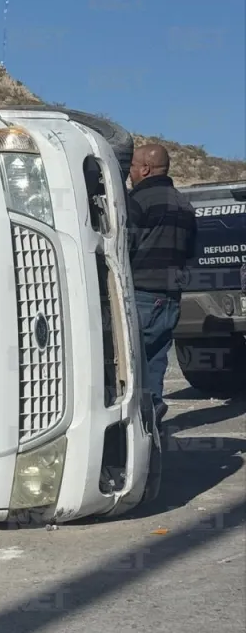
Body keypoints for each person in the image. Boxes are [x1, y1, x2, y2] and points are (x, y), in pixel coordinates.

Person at [128, 142, 197, 424]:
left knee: (133, 363)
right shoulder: (184, 203)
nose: (129, 173)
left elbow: (123, 245)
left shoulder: (138, 201)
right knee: (156, 360)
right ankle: (152, 417)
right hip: (171, 295)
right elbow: (191, 251)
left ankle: (141, 420)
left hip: (142, 293)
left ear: (144, 169)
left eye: (131, 167)